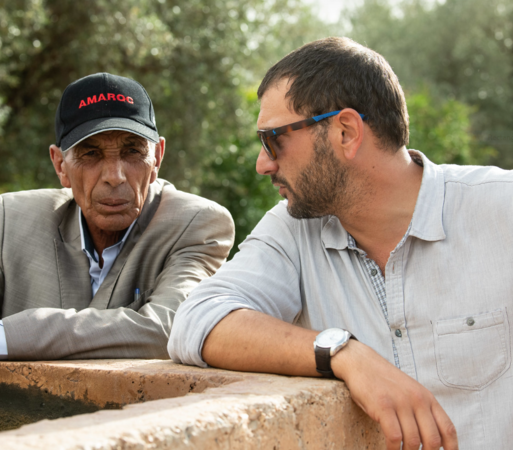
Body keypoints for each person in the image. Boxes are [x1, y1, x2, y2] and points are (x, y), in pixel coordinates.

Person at [169, 37, 513, 450]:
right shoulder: (293, 230)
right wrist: (343, 353)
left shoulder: (501, 210)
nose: (264, 163)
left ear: (345, 131)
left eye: (273, 139)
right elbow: (197, 322)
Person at [0, 73, 234, 402]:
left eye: (132, 151)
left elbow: (169, 325)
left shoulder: (197, 223)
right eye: (91, 154)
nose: (114, 176)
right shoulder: (16, 217)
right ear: (60, 165)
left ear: (158, 158)